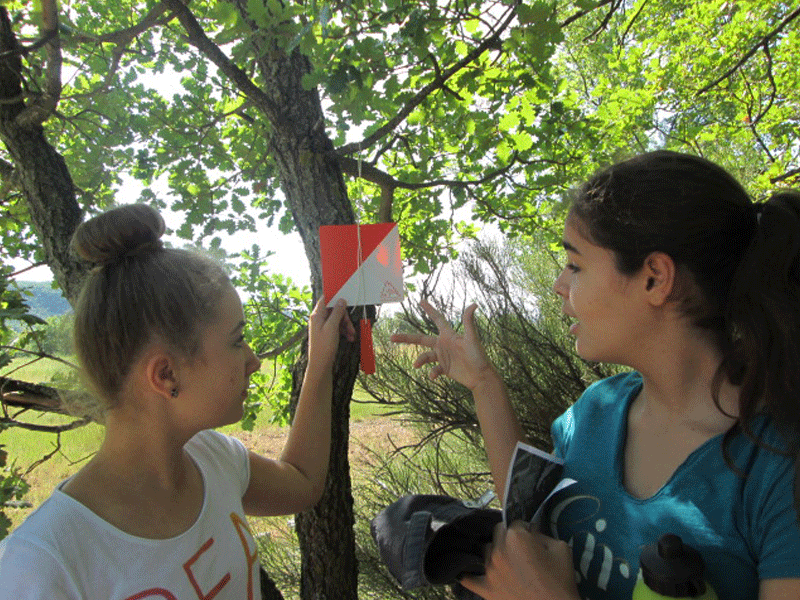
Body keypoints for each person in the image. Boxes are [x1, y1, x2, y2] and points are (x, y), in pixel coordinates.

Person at [392, 150, 800, 600]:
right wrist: (483, 383)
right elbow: (526, 520)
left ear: (655, 278)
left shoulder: (777, 469)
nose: (559, 285)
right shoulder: (598, 410)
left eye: (576, 264)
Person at [0, 204, 355, 599]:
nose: (253, 360)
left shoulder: (213, 458)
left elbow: (302, 483)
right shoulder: (41, 566)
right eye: (237, 340)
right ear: (166, 375)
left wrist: (320, 360)